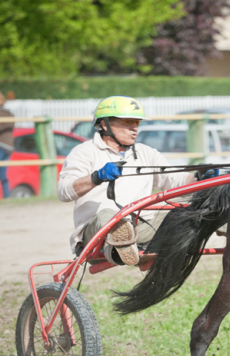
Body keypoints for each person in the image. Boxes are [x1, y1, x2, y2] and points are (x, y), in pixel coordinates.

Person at [57, 96, 206, 266]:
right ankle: (119, 249)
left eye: (137, 122)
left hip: (140, 226)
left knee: (197, 202)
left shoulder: (146, 152)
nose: (134, 128)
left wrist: (199, 176)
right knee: (108, 215)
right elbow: (63, 192)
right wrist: (97, 177)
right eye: (128, 122)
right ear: (105, 124)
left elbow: (172, 179)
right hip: (96, 234)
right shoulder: (84, 152)